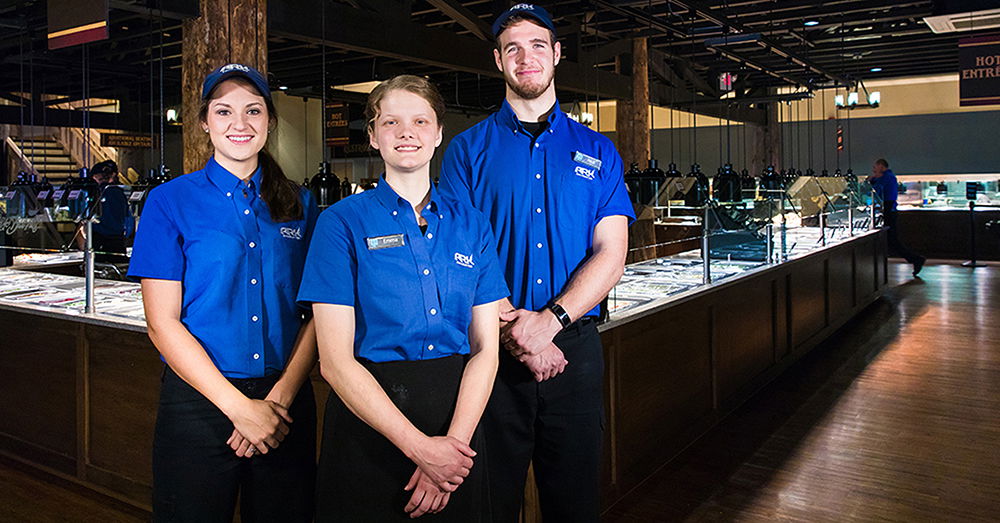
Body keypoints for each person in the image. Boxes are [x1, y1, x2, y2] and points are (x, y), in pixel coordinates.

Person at [438, 4, 634, 522]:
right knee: (491, 501)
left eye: (538, 46)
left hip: (573, 351)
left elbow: (612, 252)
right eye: (513, 48)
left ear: (557, 54)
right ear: (498, 60)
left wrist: (551, 323)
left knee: (574, 502)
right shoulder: (466, 150)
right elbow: (461, 256)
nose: (527, 58)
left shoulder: (599, 150)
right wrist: (519, 334)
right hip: (490, 355)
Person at [299, 75, 509, 521]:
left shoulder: (472, 224)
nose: (406, 132)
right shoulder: (339, 224)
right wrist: (422, 451)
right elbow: (334, 362)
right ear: (373, 136)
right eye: (390, 122)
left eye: (419, 121)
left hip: (458, 422)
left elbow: (486, 351)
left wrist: (453, 449)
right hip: (370, 421)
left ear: (438, 134)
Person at [127, 63, 319, 522]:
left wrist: (275, 403)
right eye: (224, 111)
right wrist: (240, 410)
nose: (240, 124)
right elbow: (162, 323)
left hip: (285, 401)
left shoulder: (301, 203)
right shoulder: (169, 202)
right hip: (199, 403)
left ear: (270, 121)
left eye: (253, 111)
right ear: (203, 123)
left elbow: (317, 313)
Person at [868, 158, 925, 276]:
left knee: (892, 240)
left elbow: (878, 190)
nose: (874, 169)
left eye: (876, 166)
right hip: (888, 210)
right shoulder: (888, 177)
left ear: (882, 166)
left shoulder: (886, 178)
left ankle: (916, 259)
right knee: (891, 241)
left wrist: (872, 181)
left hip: (888, 211)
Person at [88, 159, 132, 263]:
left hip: (101, 239)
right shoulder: (119, 192)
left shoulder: (101, 193)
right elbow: (128, 218)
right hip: (117, 239)